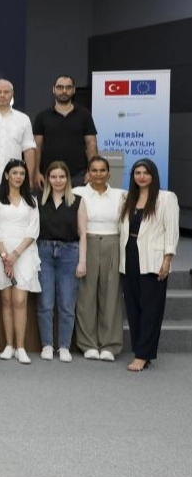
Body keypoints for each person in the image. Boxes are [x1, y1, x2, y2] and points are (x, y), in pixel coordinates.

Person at [119, 158, 179, 372]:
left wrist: (167, 259)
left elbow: (171, 230)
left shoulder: (166, 198)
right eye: (137, 173)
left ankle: (142, 355)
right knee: (133, 306)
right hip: (129, 255)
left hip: (153, 258)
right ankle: (141, 350)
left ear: (153, 175)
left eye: (146, 173)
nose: (141, 176)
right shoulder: (127, 198)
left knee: (151, 308)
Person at [0, 159, 40, 364]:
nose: (18, 177)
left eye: (22, 173)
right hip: (2, 253)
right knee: (6, 300)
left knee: (20, 301)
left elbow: (33, 230)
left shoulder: (31, 201)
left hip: (24, 253)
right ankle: (9, 345)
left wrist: (15, 255)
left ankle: (21, 347)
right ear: (7, 175)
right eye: (14, 173)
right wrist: (5, 256)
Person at [73, 156, 125, 361]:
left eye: (102, 170)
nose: (98, 174)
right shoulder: (78, 193)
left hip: (113, 243)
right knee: (86, 296)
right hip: (87, 243)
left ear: (109, 173)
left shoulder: (120, 195)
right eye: (94, 170)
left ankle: (110, 345)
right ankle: (88, 344)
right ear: (88, 173)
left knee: (111, 295)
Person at [36, 161, 86, 363]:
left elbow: (83, 233)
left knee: (66, 304)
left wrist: (82, 261)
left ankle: (64, 346)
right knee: (45, 303)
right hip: (44, 253)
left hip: (69, 254)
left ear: (67, 179)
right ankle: (47, 345)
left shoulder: (78, 201)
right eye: (54, 176)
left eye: (62, 177)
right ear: (48, 178)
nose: (58, 180)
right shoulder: (38, 200)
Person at [32, 75, 98, 188]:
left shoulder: (84, 115)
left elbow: (91, 144)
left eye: (68, 87)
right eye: (60, 87)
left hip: (79, 175)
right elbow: (36, 147)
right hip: (49, 175)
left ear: (74, 90)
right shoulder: (42, 116)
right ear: (53, 89)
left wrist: (91, 171)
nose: (64, 91)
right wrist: (36, 172)